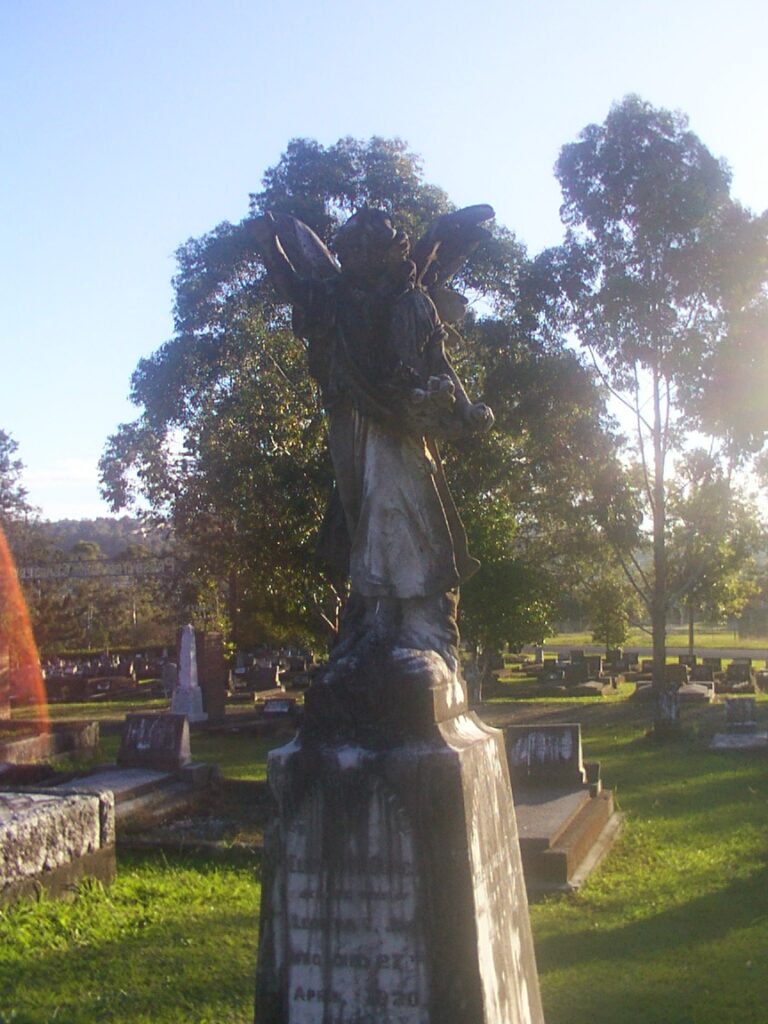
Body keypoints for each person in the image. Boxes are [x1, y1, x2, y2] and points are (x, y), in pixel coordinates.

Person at [250, 207, 494, 670]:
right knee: (359, 514)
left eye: (367, 249)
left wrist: (464, 408)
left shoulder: (412, 300)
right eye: (350, 249)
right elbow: (296, 290)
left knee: (399, 508)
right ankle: (373, 620)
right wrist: (270, 246)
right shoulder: (335, 295)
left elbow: (437, 361)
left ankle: (421, 625)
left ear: (389, 252)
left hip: (399, 426)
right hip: (352, 419)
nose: (356, 257)